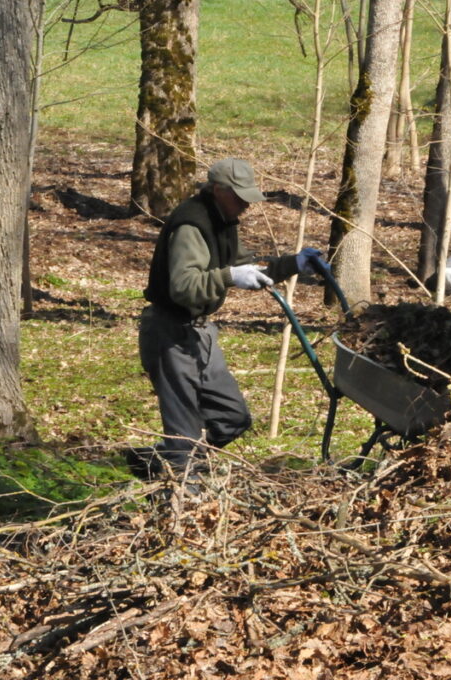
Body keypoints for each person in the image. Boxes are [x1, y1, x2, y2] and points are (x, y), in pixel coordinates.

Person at [131, 158, 327, 484]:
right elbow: (184, 287)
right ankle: (182, 502)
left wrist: (295, 263)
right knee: (185, 436)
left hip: (200, 333)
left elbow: (251, 269)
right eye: (239, 198)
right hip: (169, 333)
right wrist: (229, 276)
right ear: (218, 189)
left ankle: (155, 462)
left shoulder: (223, 221)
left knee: (232, 418)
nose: (246, 206)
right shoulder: (191, 226)